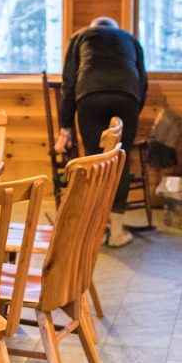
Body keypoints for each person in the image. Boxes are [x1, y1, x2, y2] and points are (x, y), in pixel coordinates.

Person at [54, 16, 147, 247]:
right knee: (120, 159)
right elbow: (143, 81)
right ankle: (116, 232)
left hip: (90, 96)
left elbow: (69, 82)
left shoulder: (80, 36)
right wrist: (135, 107)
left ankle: (93, 228)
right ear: (115, 30)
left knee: (95, 160)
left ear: (93, 27)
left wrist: (65, 127)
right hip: (127, 96)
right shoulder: (131, 39)